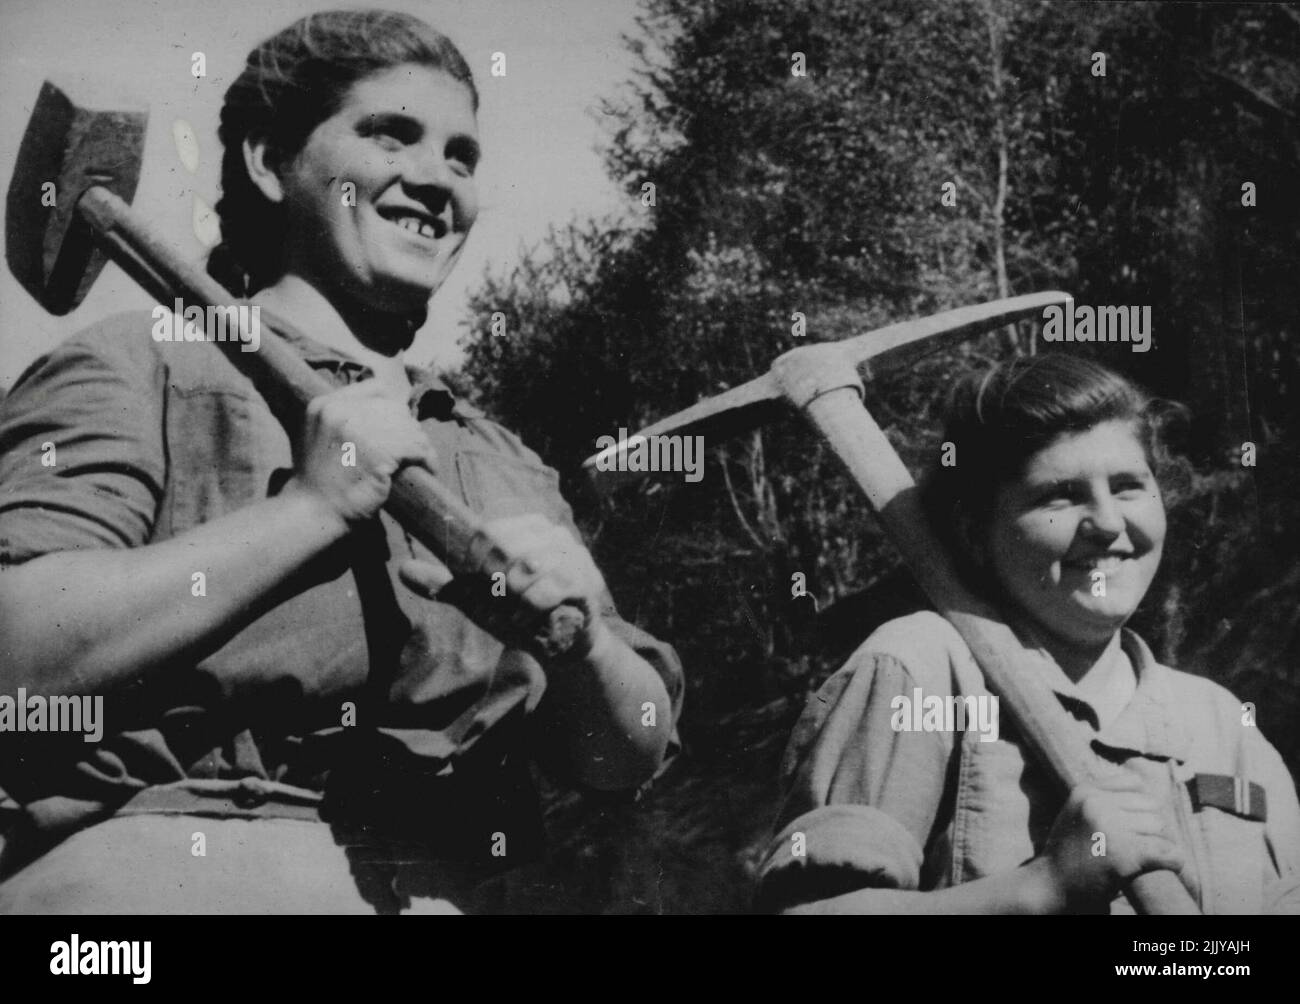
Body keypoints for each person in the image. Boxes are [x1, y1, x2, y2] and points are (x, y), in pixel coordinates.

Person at [0, 8, 682, 915]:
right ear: (265, 162)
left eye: (461, 156)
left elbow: (626, 753)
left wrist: (584, 646)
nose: (436, 180)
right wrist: (311, 509)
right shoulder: (147, 362)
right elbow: (15, 660)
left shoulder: (499, 458)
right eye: (389, 134)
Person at [755, 354, 1300, 914]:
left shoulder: (1220, 724)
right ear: (974, 529)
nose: (1109, 523)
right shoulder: (920, 672)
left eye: (1129, 486)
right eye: (1060, 495)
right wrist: (1041, 886)